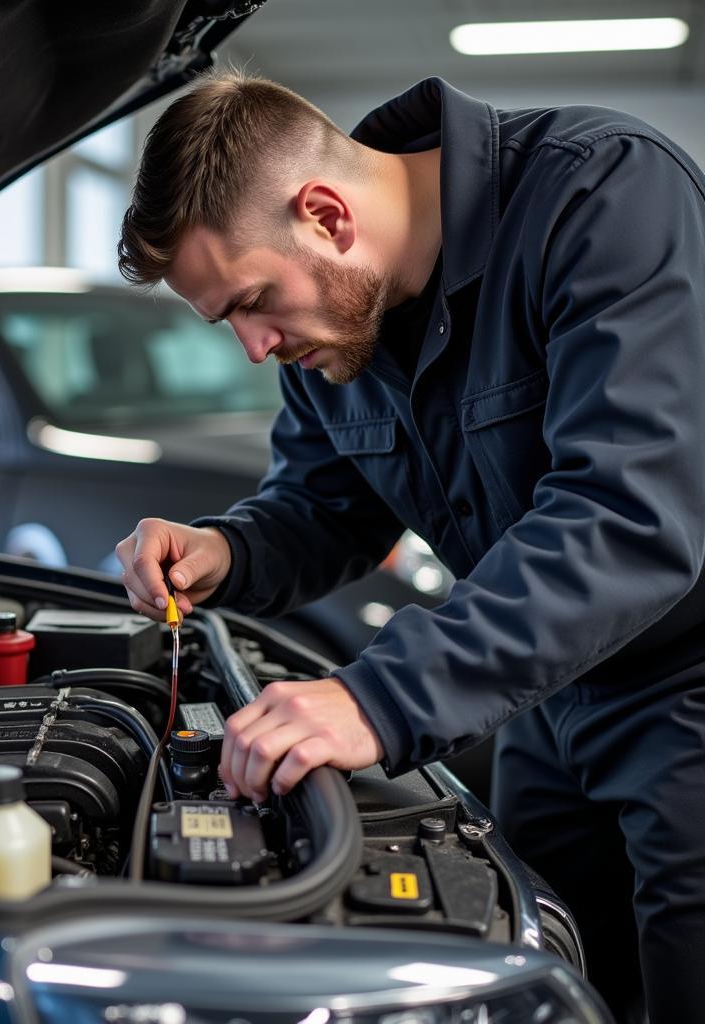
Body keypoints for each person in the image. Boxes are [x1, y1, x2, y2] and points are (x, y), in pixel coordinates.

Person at [113, 70, 705, 1023]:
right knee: (546, 981)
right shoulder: (337, 328)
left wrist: (376, 698)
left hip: (688, 690)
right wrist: (225, 549)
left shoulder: (603, 196)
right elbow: (327, 508)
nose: (255, 350)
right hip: (547, 700)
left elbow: (627, 516)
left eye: (251, 304)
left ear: (325, 214)